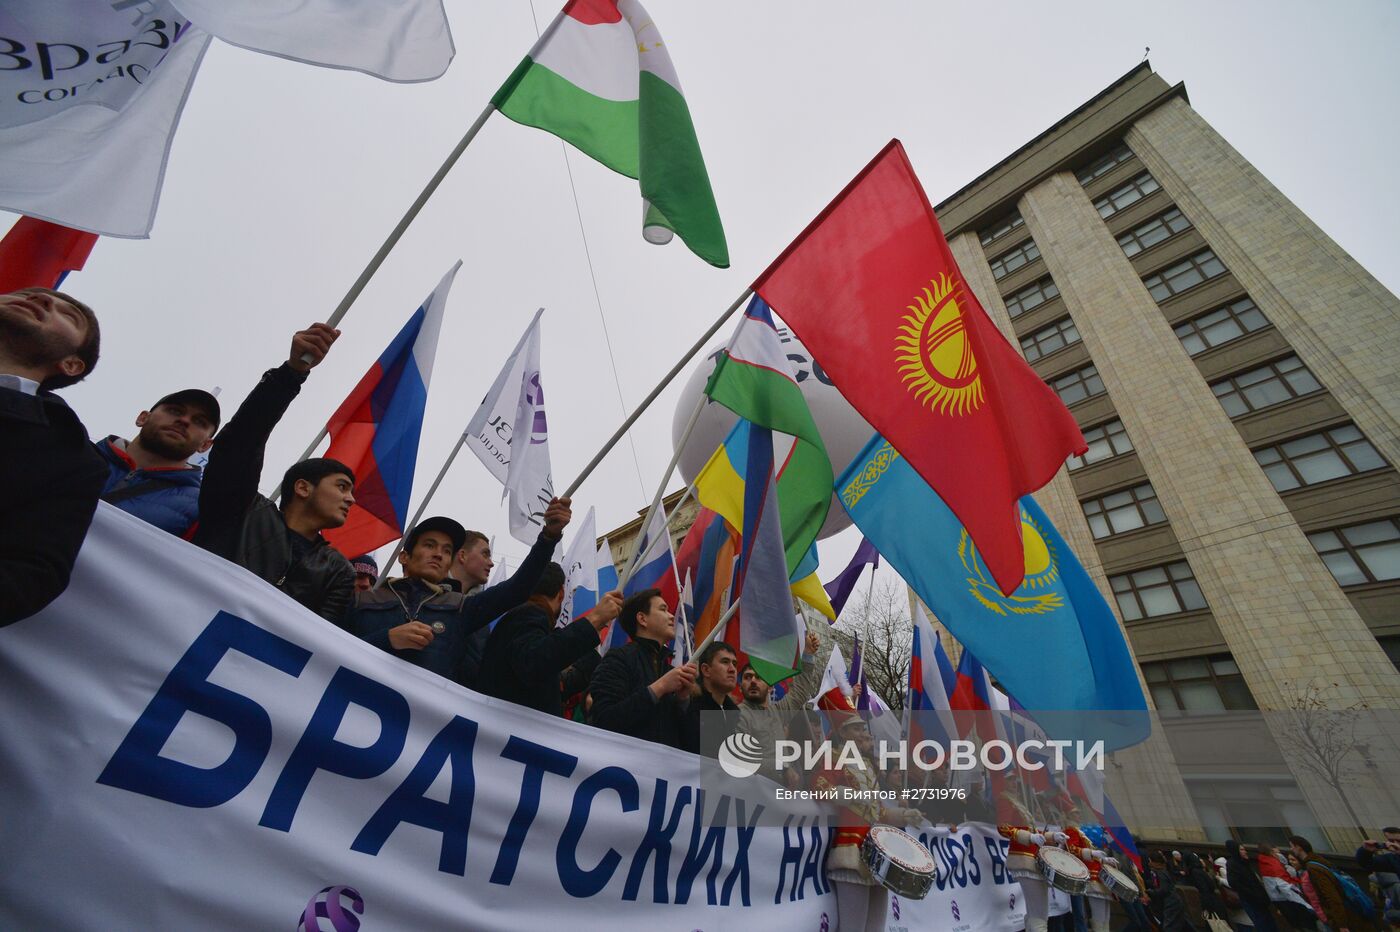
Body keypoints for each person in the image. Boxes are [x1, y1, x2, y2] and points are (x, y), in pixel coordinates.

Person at [192, 324, 356, 622]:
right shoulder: (241, 511)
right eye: (342, 487)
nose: (351, 499)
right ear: (303, 488)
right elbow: (243, 440)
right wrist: (291, 373)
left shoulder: (339, 571)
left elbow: (323, 641)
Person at [344, 509, 570, 682]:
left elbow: (517, 589)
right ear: (404, 557)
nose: (438, 554)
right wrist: (388, 639)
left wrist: (548, 537)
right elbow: (331, 650)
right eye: (429, 545)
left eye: (446, 551)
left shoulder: (462, 608)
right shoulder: (363, 600)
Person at [0, 287, 105, 626]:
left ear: (72, 364)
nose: (41, 300)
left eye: (68, 315)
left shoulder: (69, 458)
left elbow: (31, 575)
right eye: (26, 294)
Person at [814, 699, 923, 932]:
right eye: (856, 728)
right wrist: (845, 795)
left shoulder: (867, 764)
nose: (862, 732)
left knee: (876, 928)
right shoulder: (834, 757)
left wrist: (903, 815)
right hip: (851, 848)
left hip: (877, 850)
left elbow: (879, 811)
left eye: (862, 728)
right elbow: (818, 786)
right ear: (842, 732)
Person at [477, 561, 622, 716]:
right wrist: (594, 619)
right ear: (561, 593)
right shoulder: (529, 614)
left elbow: (544, 688)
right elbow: (533, 662)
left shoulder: (523, 617)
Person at [95, 388, 219, 537]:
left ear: (205, 445)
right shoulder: (73, 452)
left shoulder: (199, 511)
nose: (185, 421)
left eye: (200, 422)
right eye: (175, 411)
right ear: (143, 418)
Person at [587, 588, 698, 750]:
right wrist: (659, 688)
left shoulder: (668, 669)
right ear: (642, 619)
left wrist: (683, 701)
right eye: (663, 609)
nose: (672, 616)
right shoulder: (618, 659)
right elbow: (604, 720)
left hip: (662, 771)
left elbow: (690, 743)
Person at [735, 628, 822, 785]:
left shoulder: (777, 711)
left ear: (770, 687)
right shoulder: (739, 714)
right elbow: (741, 758)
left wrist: (808, 654)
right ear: (741, 686)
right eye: (748, 677)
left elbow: (800, 693)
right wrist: (782, 768)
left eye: (759, 677)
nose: (753, 681)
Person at [1290, 835, 1381, 932]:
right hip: (1349, 911)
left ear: (1299, 847)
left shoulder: (1313, 868)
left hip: (1344, 916)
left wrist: (1341, 924)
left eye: (1291, 846)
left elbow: (1331, 896)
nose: (1291, 849)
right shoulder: (1319, 861)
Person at [448, 529, 493, 688]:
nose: (491, 563)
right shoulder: (429, 597)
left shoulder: (481, 611)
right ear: (462, 555)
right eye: (485, 554)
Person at [691, 640, 740, 757]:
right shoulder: (688, 706)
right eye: (725, 662)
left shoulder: (735, 713)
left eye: (734, 664)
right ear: (706, 670)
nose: (732, 669)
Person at [1226, 839, 1279, 932]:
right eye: (1241, 850)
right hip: (1251, 900)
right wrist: (1252, 894)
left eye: (1244, 849)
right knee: (1262, 923)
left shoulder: (1244, 862)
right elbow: (1235, 883)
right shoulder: (1232, 865)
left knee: (1269, 921)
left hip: (1259, 899)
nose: (1244, 851)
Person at [1147, 850, 1193, 932]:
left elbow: (1164, 889)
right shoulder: (1161, 870)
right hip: (1174, 901)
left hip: (1171, 903)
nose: (1148, 862)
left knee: (1169, 927)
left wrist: (1150, 892)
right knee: (1184, 925)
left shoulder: (1159, 873)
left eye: (1150, 860)